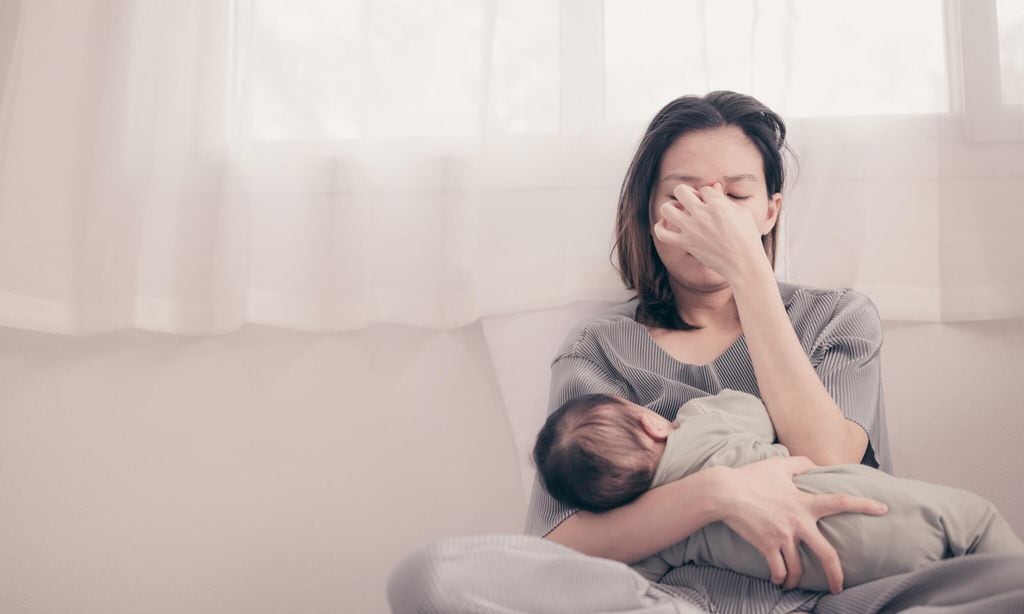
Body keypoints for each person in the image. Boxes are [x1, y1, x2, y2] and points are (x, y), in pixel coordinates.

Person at [386, 91, 1024, 613]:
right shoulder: (601, 350)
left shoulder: (836, 317)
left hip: (842, 593)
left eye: (735, 197)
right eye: (686, 196)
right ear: (650, 213)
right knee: (434, 574)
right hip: (662, 601)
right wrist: (718, 492)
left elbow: (827, 455)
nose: (710, 217)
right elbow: (559, 546)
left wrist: (749, 275)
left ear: (771, 212)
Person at [533, 388, 1024, 591]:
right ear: (652, 423)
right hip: (888, 512)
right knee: (977, 521)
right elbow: (753, 408)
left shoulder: (664, 538)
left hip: (858, 580)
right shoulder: (700, 423)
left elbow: (623, 572)